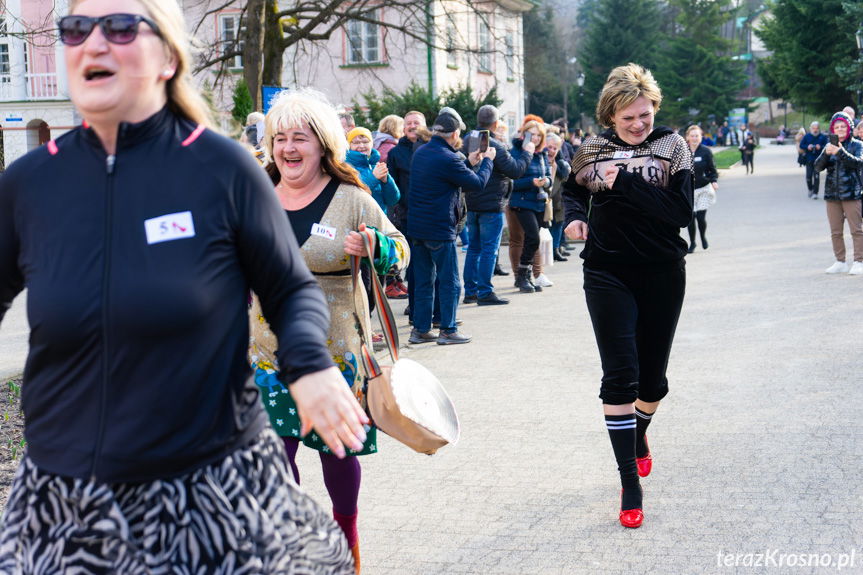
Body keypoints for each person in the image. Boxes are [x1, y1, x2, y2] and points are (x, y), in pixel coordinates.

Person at [0, 1, 365, 572]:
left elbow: (288, 289)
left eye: (120, 27)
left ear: (168, 58)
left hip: (207, 480)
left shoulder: (221, 170)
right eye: (75, 29)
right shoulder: (29, 183)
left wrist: (310, 367)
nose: (93, 42)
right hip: (67, 487)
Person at [254, 88, 409, 572]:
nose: (288, 148)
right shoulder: (253, 194)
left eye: (299, 138)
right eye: (280, 138)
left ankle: (347, 542)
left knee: (336, 454)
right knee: (273, 459)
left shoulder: (352, 199)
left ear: (322, 144)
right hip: (265, 353)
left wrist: (376, 246)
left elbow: (401, 251)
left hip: (335, 354)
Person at [563, 63, 693, 529]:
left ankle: (639, 434)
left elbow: (679, 212)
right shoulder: (591, 150)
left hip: (661, 272)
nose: (638, 125)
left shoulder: (673, 147)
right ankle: (629, 483)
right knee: (620, 376)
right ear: (610, 116)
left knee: (652, 383)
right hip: (606, 270)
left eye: (645, 115)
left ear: (654, 107)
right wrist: (573, 217)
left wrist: (626, 182)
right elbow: (571, 191)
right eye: (628, 118)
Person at [408, 109, 495, 345]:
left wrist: (469, 162)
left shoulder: (421, 152)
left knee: (424, 281)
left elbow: (444, 176)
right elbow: (477, 184)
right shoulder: (450, 158)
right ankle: (448, 329)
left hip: (417, 228)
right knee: (450, 282)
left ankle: (420, 330)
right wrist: (487, 161)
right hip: (439, 228)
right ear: (455, 134)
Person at [461, 104, 532, 306]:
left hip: (471, 201)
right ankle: (485, 292)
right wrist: (527, 153)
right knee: (489, 249)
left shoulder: (468, 139)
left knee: (474, 248)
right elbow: (515, 170)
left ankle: (471, 292)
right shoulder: (494, 145)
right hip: (491, 204)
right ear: (495, 123)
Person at [813, 111, 863, 275]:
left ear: (849, 128)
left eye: (843, 126)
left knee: (856, 230)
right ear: (832, 130)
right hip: (832, 194)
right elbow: (817, 167)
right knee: (835, 231)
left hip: (851, 194)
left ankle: (859, 261)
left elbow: (858, 163)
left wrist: (840, 152)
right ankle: (840, 261)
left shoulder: (857, 145)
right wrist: (826, 154)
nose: (840, 129)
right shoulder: (829, 146)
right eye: (837, 127)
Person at [509, 120, 553, 292]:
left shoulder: (541, 153)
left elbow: (549, 176)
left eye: (538, 135)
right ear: (523, 134)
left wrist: (546, 181)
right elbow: (510, 182)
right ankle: (521, 276)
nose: (535, 138)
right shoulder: (515, 152)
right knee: (532, 238)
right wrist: (531, 182)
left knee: (532, 240)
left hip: (539, 201)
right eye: (532, 134)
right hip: (521, 201)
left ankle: (525, 275)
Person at [346, 126, 400, 213]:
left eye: (365, 142)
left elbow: (392, 200)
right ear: (349, 146)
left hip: (379, 218)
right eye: (356, 142)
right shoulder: (345, 167)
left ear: (372, 144)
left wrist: (386, 181)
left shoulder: (376, 166)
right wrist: (374, 177)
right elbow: (351, 195)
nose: (361, 146)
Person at [685, 125, 719, 252]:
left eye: (697, 136)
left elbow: (712, 169)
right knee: (690, 218)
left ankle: (703, 237)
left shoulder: (705, 151)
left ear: (701, 137)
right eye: (692, 136)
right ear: (688, 137)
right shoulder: (682, 151)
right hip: (688, 190)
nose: (694, 138)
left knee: (700, 217)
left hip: (704, 188)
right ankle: (692, 243)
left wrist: (714, 180)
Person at [545, 132, 572, 261]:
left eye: (555, 148)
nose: (551, 151)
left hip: (558, 201)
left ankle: (555, 249)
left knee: (558, 225)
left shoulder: (561, 164)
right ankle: (548, 251)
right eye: (549, 147)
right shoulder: (540, 161)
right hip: (545, 201)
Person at [799, 121, 828, 199]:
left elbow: (827, 146)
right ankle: (810, 189)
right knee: (808, 177)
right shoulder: (807, 136)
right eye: (813, 128)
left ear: (819, 129)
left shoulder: (822, 136)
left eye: (817, 128)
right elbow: (801, 145)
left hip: (818, 160)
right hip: (809, 159)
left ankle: (815, 193)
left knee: (816, 176)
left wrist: (820, 147)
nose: (815, 130)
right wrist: (807, 146)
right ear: (810, 129)